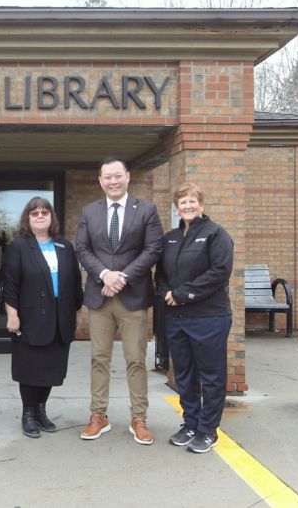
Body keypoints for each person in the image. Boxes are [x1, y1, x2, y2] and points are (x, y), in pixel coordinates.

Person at [75, 156, 163, 444]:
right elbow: (82, 249)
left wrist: (122, 277)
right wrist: (104, 274)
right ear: (100, 181)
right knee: (99, 358)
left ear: (128, 177)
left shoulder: (146, 210)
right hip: (99, 297)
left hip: (133, 296)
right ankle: (98, 415)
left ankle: (139, 418)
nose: (113, 181)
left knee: (135, 359)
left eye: (117, 176)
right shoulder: (90, 211)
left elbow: (153, 249)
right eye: (107, 177)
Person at [155, 182, 234, 454]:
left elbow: (219, 272)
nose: (187, 206)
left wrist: (183, 294)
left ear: (201, 204)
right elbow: (161, 274)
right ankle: (189, 424)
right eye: (182, 202)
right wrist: (167, 293)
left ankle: (207, 429)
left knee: (210, 375)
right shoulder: (170, 238)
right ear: (176, 207)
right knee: (184, 374)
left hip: (209, 317)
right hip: (176, 318)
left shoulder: (216, 234)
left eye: (192, 201)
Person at [2, 197, 83, 438]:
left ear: (51, 217)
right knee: (30, 368)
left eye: (45, 212)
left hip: (61, 318)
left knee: (51, 368)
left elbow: (76, 283)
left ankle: (40, 410)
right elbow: (10, 283)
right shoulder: (18, 246)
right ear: (27, 218)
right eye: (34, 212)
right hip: (30, 318)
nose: (40, 216)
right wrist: (12, 314)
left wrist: (77, 312)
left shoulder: (65, 246)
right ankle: (28, 414)